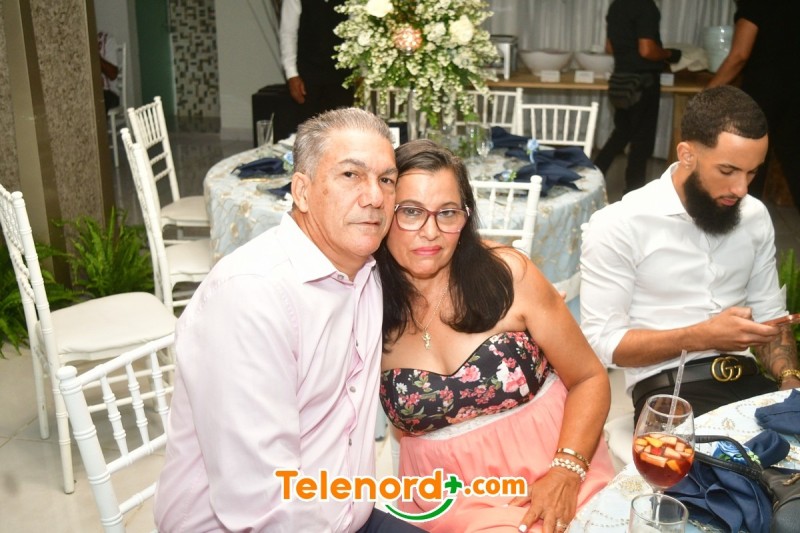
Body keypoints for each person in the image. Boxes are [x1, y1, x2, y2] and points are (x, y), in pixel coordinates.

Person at [154, 108, 422, 532]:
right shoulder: (253, 296)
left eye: (386, 180)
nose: (374, 197)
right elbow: (262, 502)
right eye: (350, 175)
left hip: (341, 514)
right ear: (301, 191)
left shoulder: (365, 273)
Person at [375, 139, 615, 533]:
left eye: (447, 213)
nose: (430, 232)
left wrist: (566, 470)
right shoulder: (366, 306)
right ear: (384, 212)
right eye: (411, 212)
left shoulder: (508, 275)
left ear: (466, 217)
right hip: (449, 502)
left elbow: (589, 377)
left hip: (555, 468)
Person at [580, 86, 800, 423]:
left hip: (749, 382)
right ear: (686, 154)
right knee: (726, 458)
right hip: (670, 392)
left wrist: (790, 383)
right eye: (727, 171)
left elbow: (771, 319)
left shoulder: (754, 215)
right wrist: (701, 336)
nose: (741, 189)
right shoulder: (620, 224)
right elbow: (603, 344)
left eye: (752, 172)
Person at [707, 0, 800, 208]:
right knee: (795, 163)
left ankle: (744, 223)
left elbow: (739, 55)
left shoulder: (755, 4)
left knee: (749, 166)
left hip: (764, 96)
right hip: (795, 94)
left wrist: (707, 94)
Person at [593, 0, 681, 194]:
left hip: (620, 81)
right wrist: (668, 54)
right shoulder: (646, 6)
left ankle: (591, 178)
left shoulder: (616, 5)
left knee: (621, 134)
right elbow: (646, 49)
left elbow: (610, 47)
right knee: (641, 143)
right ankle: (633, 194)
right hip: (643, 83)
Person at [279, 0, 354, 126]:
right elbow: (288, 33)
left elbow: (357, 30)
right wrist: (291, 74)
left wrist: (362, 71)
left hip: (342, 75)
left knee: (343, 127)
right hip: (307, 76)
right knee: (308, 128)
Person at [97, 31, 120, 113]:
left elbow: (113, 74)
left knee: (98, 101)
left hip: (109, 93)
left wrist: (95, 55)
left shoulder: (107, 39)